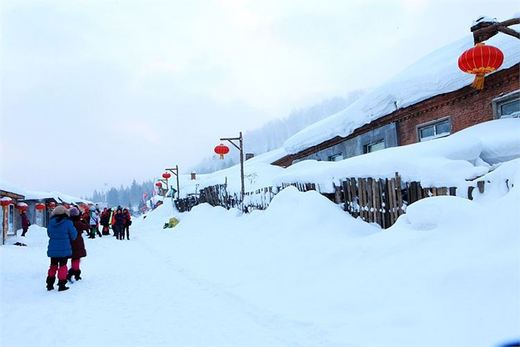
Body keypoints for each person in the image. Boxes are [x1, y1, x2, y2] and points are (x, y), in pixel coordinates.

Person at [45, 206, 77, 291]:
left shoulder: (51, 222)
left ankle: (49, 284)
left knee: (53, 266)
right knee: (63, 266)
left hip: (53, 248)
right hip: (64, 248)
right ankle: (62, 284)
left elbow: (49, 234)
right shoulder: (68, 222)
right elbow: (74, 236)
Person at [67, 207, 88, 282]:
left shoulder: (68, 222)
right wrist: (84, 220)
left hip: (69, 242)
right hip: (77, 242)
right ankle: (72, 273)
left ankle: (76, 274)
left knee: (74, 258)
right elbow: (87, 226)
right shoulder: (78, 223)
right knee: (76, 258)